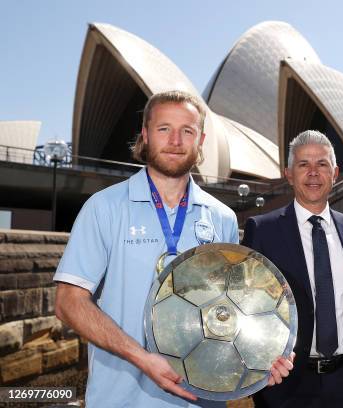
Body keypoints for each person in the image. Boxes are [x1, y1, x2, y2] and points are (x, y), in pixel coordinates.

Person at [54, 90, 293, 408]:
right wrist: (142, 358)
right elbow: (68, 304)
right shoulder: (104, 208)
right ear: (145, 135)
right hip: (121, 400)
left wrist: (262, 359)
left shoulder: (221, 217)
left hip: (200, 401)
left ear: (201, 139)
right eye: (164, 128)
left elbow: (231, 310)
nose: (175, 140)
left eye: (187, 131)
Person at [242, 130, 343, 408]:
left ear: (335, 173)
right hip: (287, 383)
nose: (313, 173)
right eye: (303, 164)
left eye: (321, 164)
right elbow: (247, 306)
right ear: (288, 173)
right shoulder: (262, 230)